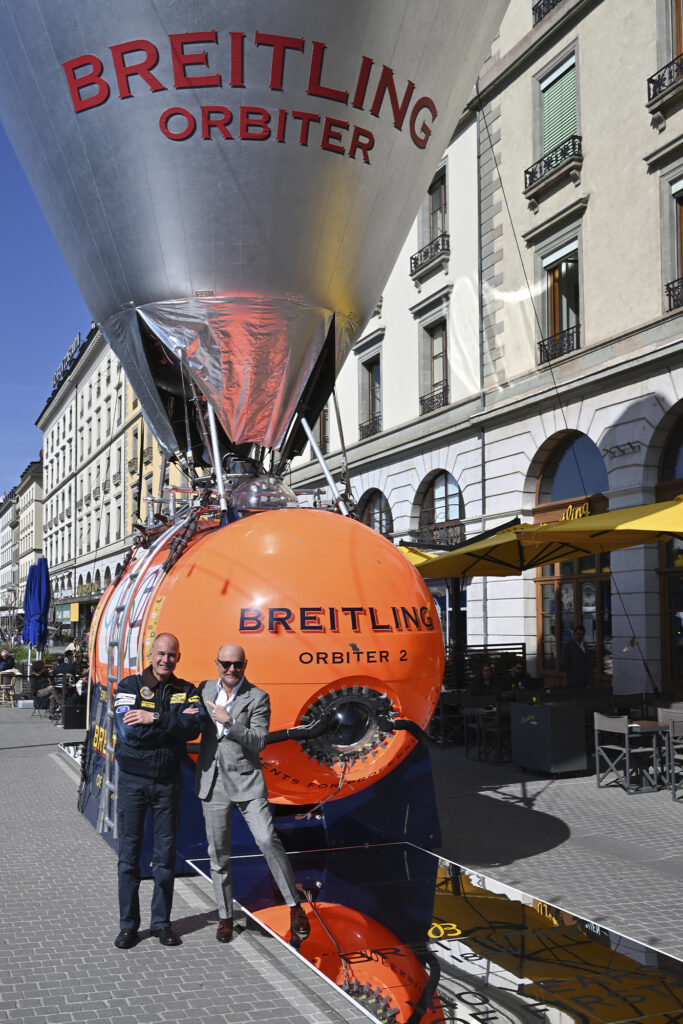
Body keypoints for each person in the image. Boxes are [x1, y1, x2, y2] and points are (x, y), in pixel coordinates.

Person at [187, 643, 310, 945]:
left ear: (245, 665)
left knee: (267, 839)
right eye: (226, 664)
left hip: (246, 780)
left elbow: (258, 741)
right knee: (218, 854)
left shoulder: (258, 697)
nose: (231, 670)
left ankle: (294, 906)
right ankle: (225, 916)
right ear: (216, 664)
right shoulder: (202, 690)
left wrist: (228, 721)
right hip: (212, 781)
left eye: (237, 665)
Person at [112, 632, 200, 950]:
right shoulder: (128, 686)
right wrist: (172, 726)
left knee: (165, 859)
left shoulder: (186, 689)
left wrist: (155, 717)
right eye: (161, 653)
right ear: (151, 654)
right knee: (129, 858)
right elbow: (128, 733)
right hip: (133, 782)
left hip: (168, 783)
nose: (166, 659)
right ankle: (128, 926)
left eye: (172, 655)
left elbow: (196, 726)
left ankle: (162, 923)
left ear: (178, 657)